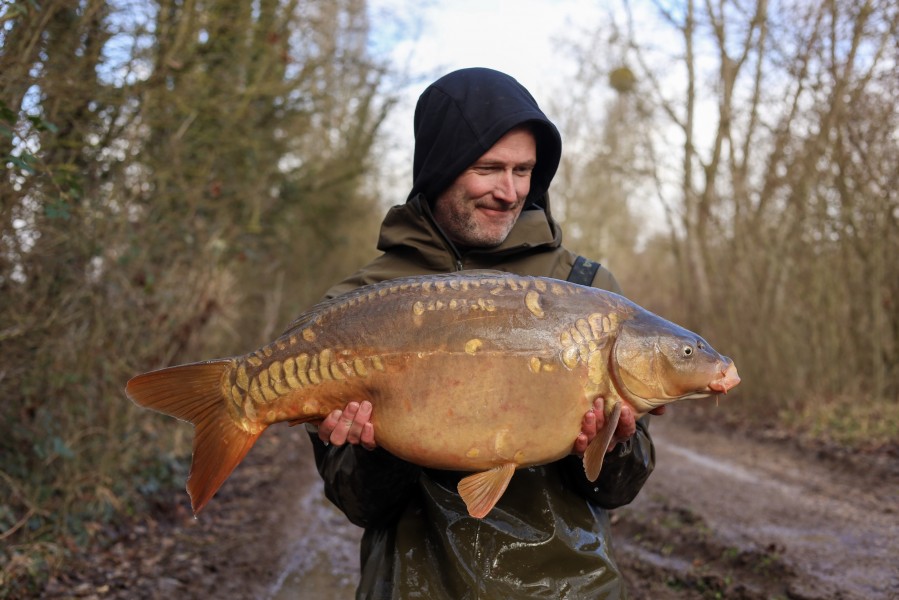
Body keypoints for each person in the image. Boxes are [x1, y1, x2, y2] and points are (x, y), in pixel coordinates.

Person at [305, 67, 660, 599]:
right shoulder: (364, 302)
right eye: (488, 168)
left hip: (566, 589)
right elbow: (358, 505)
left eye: (524, 170)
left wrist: (611, 447)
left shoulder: (585, 290)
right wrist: (378, 449)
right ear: (440, 167)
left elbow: (620, 491)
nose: (509, 191)